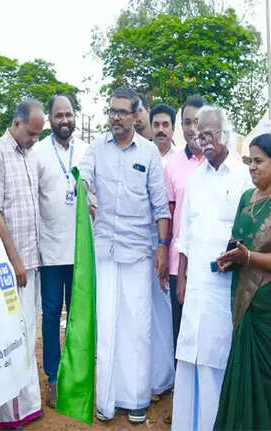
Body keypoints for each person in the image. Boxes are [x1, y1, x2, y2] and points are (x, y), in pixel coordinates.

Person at [78, 86, 171, 425]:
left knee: (138, 327)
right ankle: (106, 400)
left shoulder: (148, 154)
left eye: (122, 112)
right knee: (107, 324)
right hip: (105, 252)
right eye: (111, 111)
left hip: (138, 254)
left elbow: (161, 206)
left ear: (135, 116)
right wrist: (82, 188)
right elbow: (82, 176)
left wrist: (162, 246)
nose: (115, 117)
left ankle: (135, 400)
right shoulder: (95, 150)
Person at [213, 133, 271, 430]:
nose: (252, 167)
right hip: (244, 304)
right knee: (241, 381)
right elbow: (238, 245)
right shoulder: (245, 198)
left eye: (259, 161)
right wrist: (229, 259)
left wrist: (249, 258)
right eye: (249, 161)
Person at [170, 106, 252, 430]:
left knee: (216, 358)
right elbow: (186, 234)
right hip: (196, 286)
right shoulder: (195, 179)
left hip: (224, 286)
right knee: (190, 356)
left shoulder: (243, 176)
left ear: (224, 135)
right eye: (197, 135)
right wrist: (182, 278)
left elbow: (248, 232)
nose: (201, 140)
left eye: (208, 134)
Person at [0, 99, 45, 429]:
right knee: (12, 336)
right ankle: (9, 413)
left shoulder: (30, 155)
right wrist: (15, 259)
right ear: (17, 124)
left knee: (28, 333)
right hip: (10, 266)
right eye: (32, 133)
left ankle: (28, 404)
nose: (35, 139)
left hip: (32, 261)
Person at [32, 94, 88, 408]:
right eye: (58, 116)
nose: (64, 120)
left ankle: (77, 377)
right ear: (51, 119)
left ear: (74, 116)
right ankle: (53, 379)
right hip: (50, 252)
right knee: (52, 315)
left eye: (68, 115)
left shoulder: (86, 151)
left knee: (77, 317)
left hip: (80, 252)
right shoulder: (39, 152)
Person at [164, 95, 206, 355]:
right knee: (180, 333)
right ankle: (182, 392)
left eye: (198, 122)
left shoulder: (225, 163)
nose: (192, 128)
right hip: (177, 262)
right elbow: (168, 214)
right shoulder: (172, 166)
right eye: (187, 122)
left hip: (211, 262)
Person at [148, 102, 178, 401]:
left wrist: (165, 246)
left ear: (173, 128)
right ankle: (148, 375)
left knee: (165, 312)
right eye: (156, 124)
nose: (160, 130)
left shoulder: (180, 162)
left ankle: (165, 377)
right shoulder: (143, 155)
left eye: (165, 125)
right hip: (143, 246)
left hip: (169, 248)